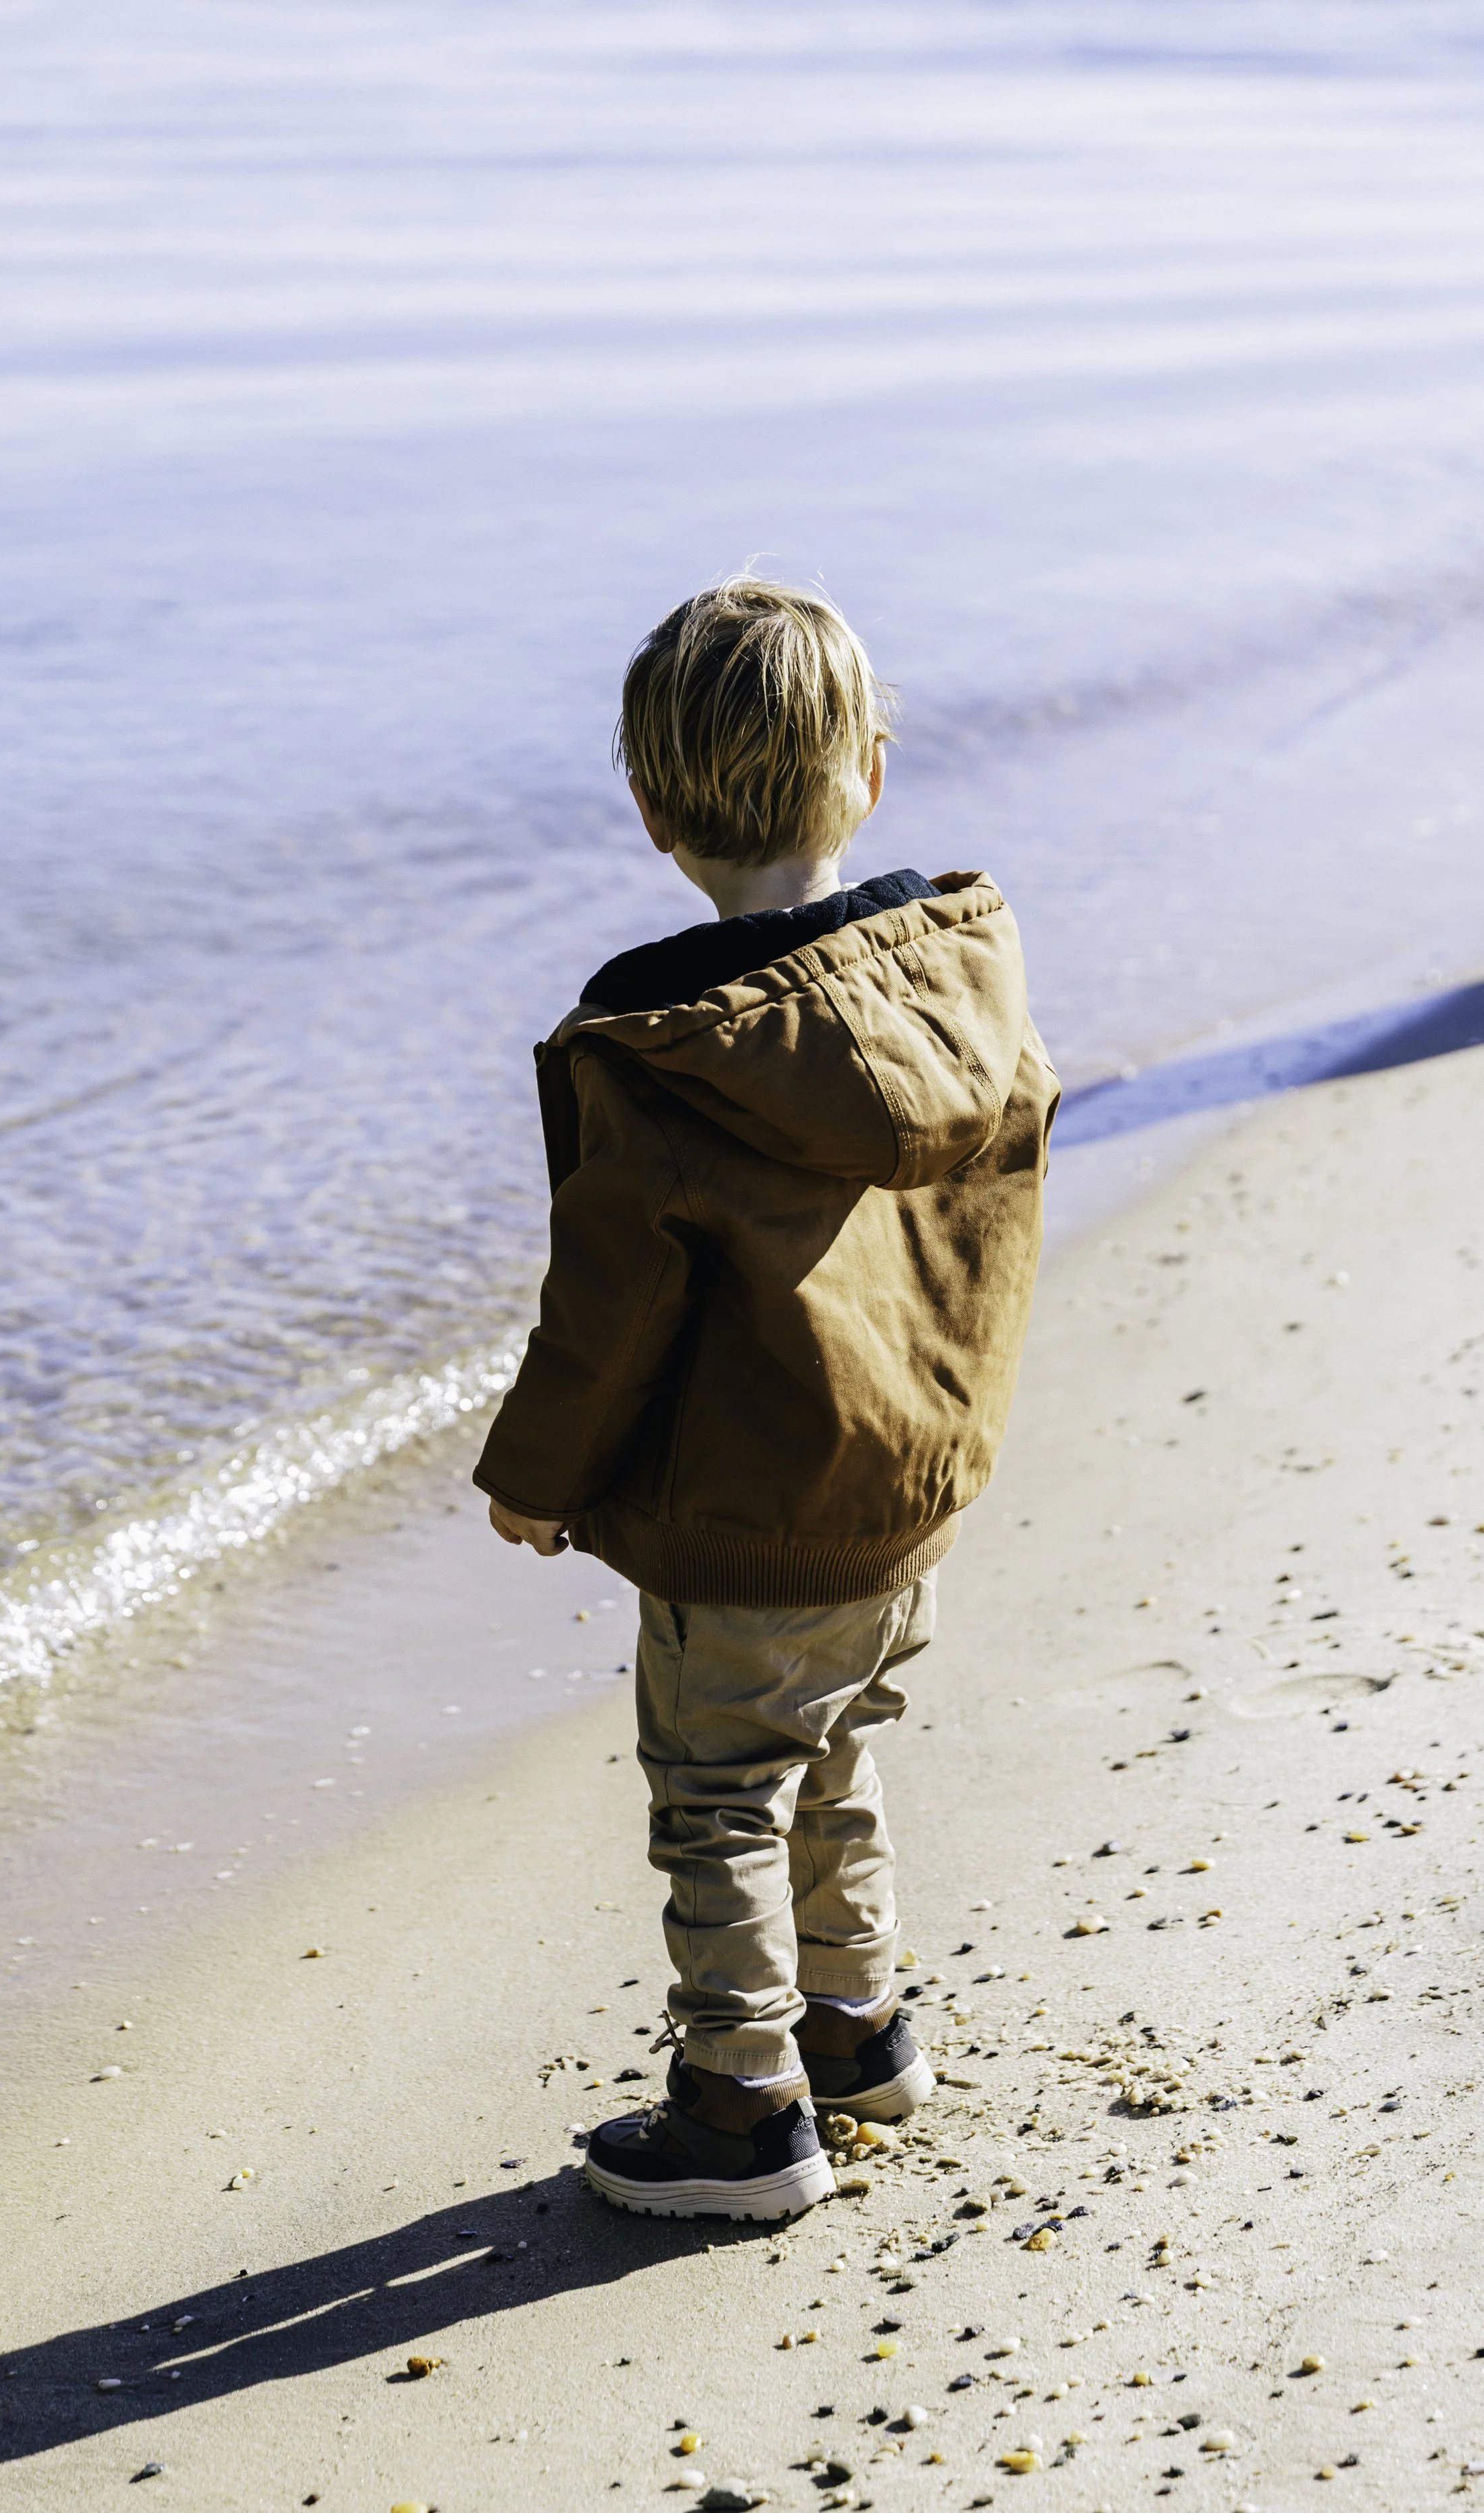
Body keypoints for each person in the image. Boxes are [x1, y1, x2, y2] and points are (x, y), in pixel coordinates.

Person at [475, 576, 1057, 2219]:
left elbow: (604, 1322)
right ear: (867, 770)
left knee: (723, 1790)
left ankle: (739, 2108)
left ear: (651, 812)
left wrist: (538, 1477)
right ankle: (860, 2025)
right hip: (912, 1475)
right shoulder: (963, 992)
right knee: (838, 1743)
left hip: (745, 1511)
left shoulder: (665, 1062)